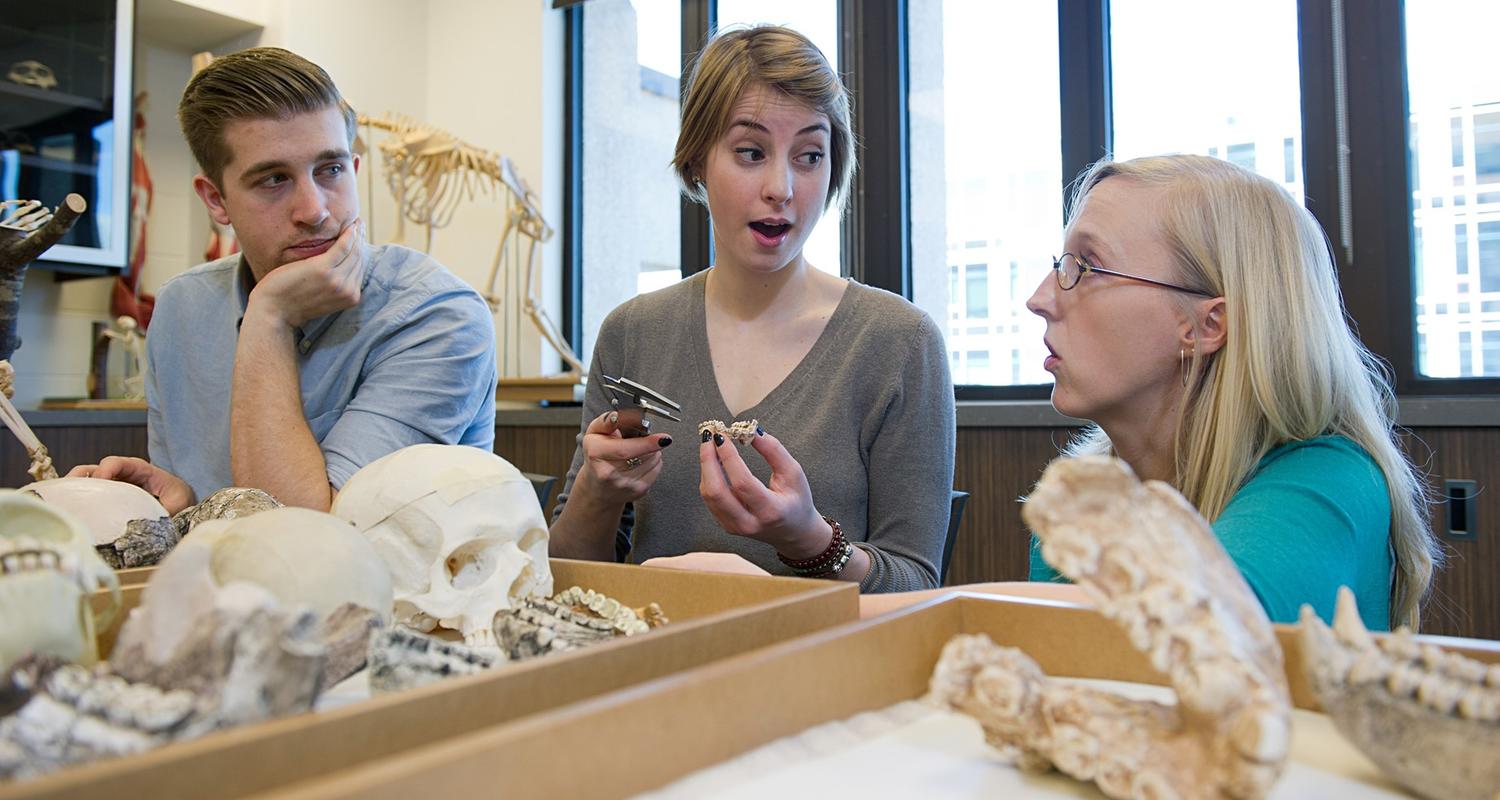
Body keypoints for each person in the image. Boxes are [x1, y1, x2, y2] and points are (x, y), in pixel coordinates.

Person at [547, 25, 956, 592]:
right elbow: (569, 579)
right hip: (654, 662)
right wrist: (598, 489)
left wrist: (810, 542)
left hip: (821, 671)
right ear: (696, 162)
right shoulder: (632, 333)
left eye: (810, 156)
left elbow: (916, 586)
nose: (781, 187)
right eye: (750, 152)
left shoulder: (898, 341)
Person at [1017, 153, 1438, 632]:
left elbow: (1196, 647)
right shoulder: (1085, 491)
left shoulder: (1330, 479)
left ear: (1206, 324)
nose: (1041, 299)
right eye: (1061, 263)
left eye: (1087, 267)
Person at [69, 47, 497, 513]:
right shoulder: (181, 308)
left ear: (354, 171)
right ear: (216, 201)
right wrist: (180, 502)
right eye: (274, 179)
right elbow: (223, 519)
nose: (315, 210)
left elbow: (311, 539)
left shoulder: (439, 315)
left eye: (330, 170)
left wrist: (268, 317)